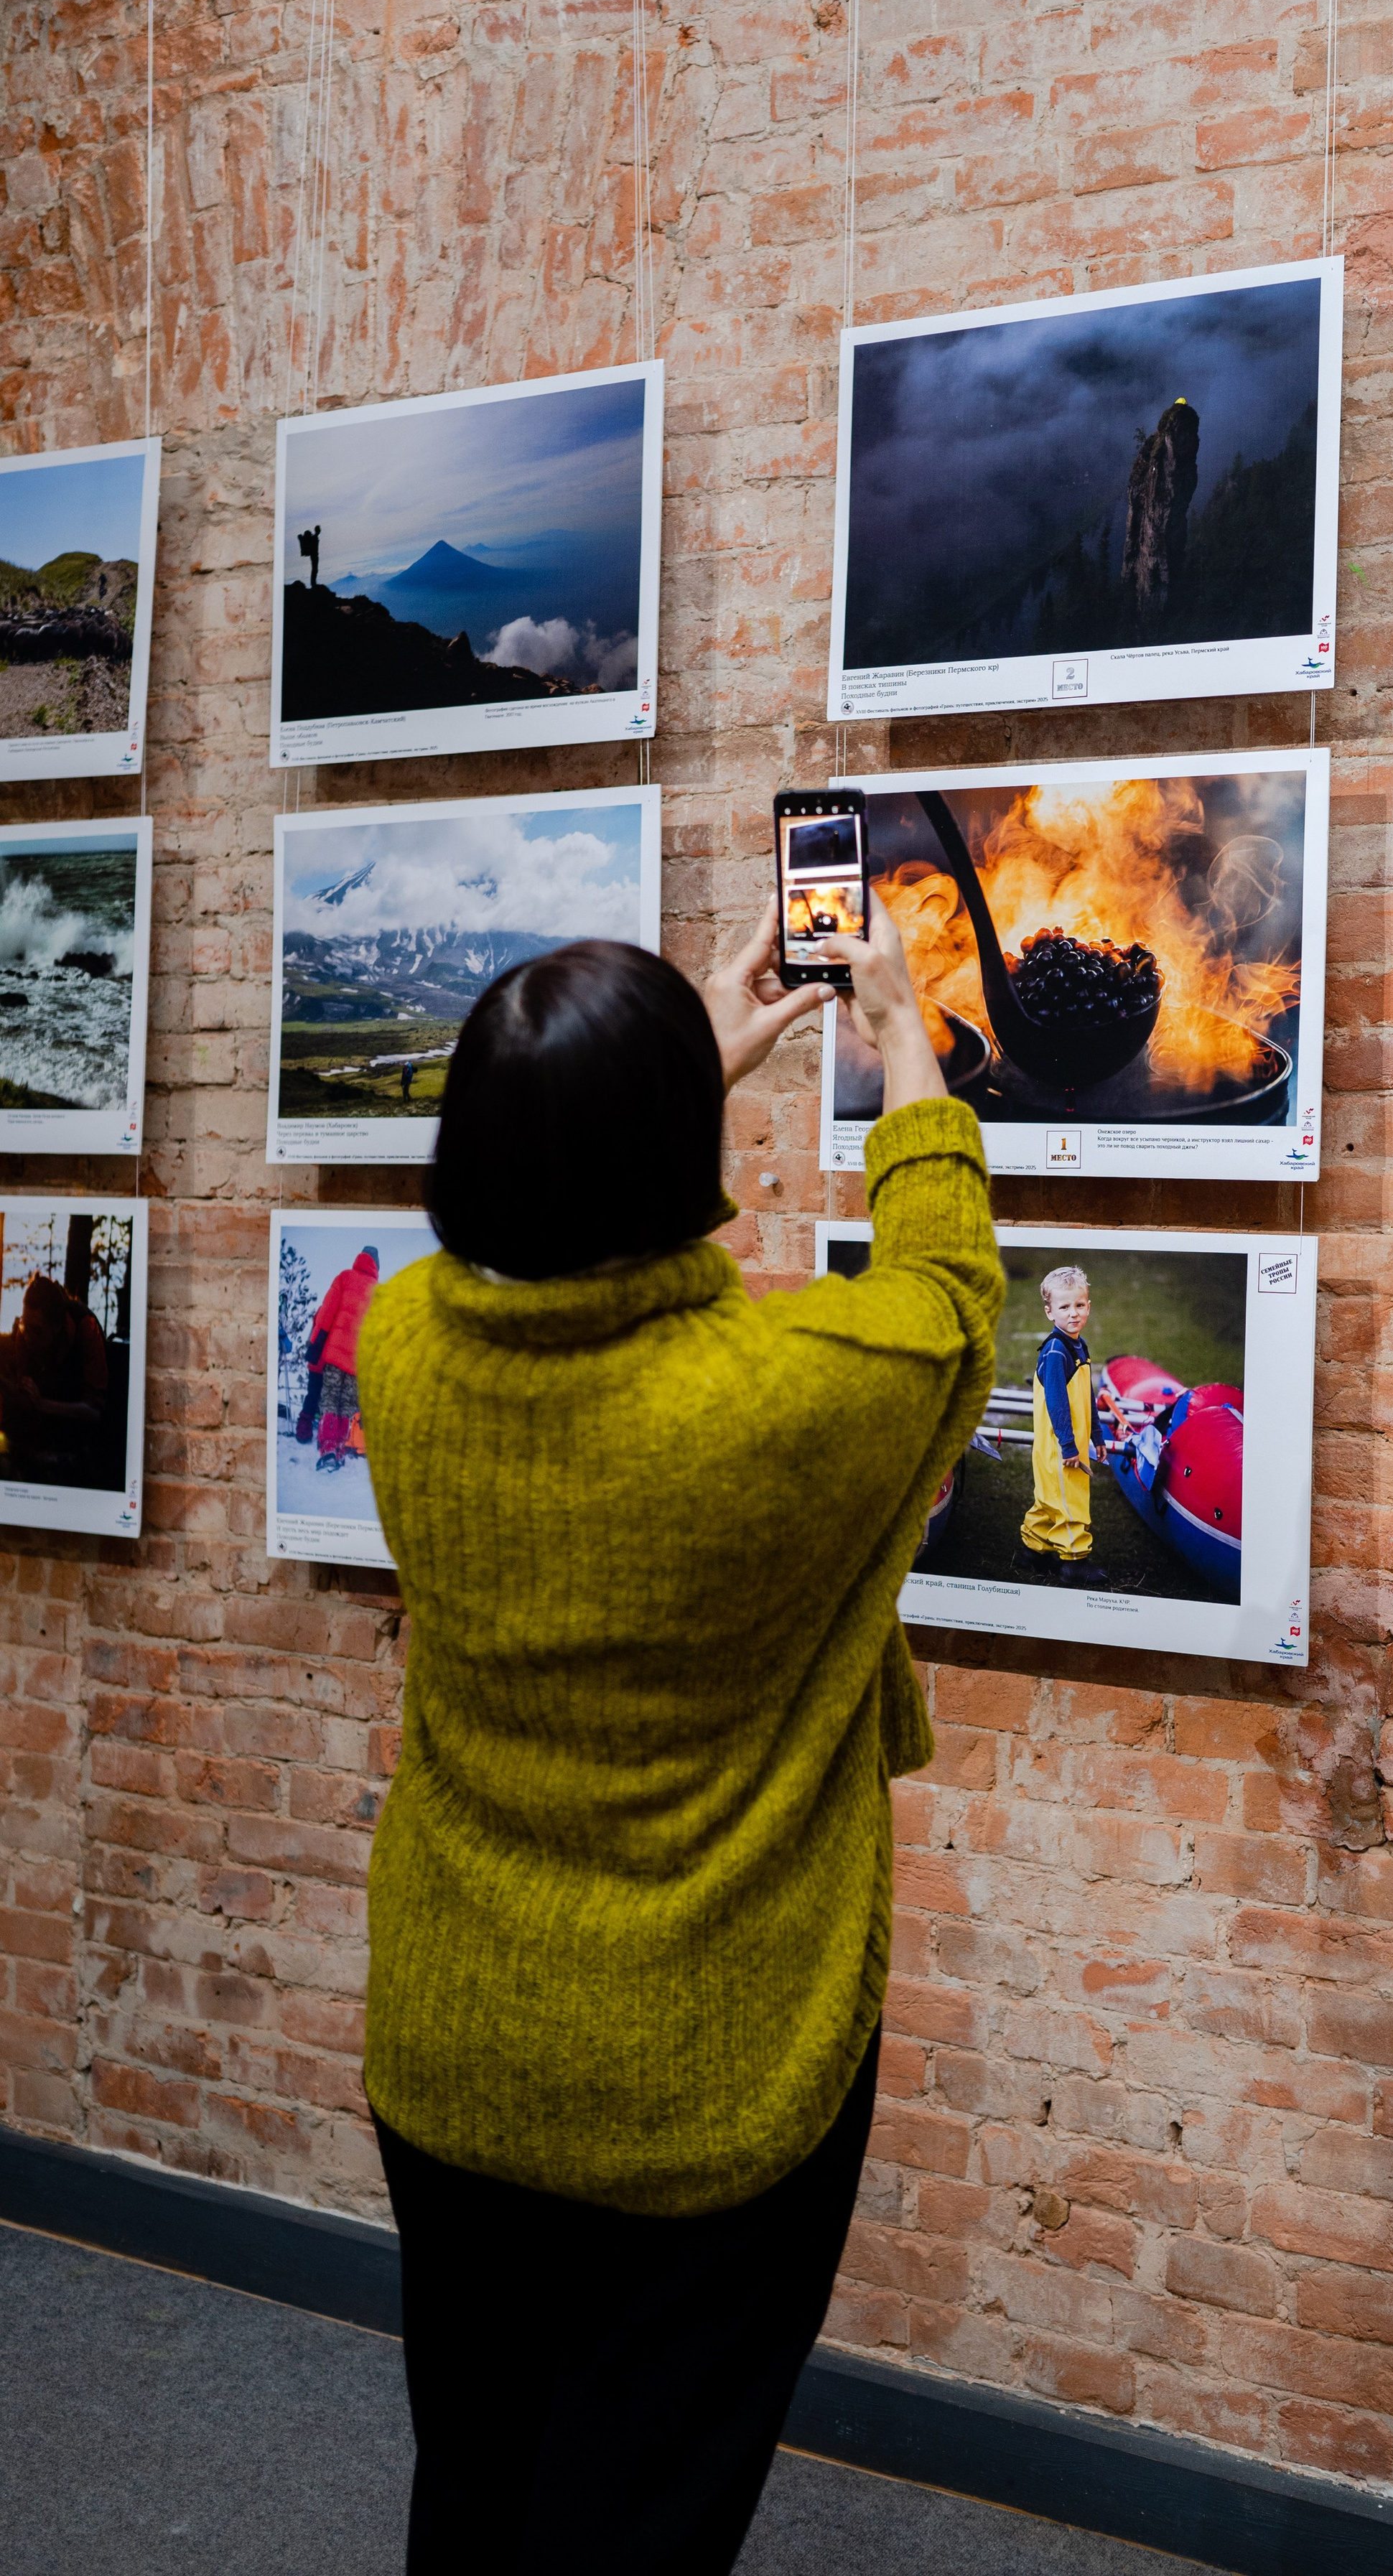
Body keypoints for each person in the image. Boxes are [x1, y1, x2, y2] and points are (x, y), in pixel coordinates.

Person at [355, 895, 1000, 2574]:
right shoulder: (778, 1393)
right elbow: (945, 1297)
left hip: (455, 2036)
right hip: (705, 2071)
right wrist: (900, 1033)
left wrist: (663, 1078)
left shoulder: (400, 1345)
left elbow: (539, 1232)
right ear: (661, 1160)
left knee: (476, 2477)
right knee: (633, 2522)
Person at [1020, 1263, 1107, 1587]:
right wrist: (1069, 1446)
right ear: (1049, 1312)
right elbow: (1057, 1403)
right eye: (1064, 1307)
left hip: (1070, 1442)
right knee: (1071, 1502)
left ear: (1089, 1306)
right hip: (1060, 1447)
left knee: (1049, 1501)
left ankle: (1032, 1551)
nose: (1074, 1313)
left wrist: (1097, 1434)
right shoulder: (1057, 1351)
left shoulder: (1078, 1344)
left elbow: (1086, 1394)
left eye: (1079, 1305)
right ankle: (1074, 1563)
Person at [0, 1273, 108, 1480]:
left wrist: (43, 1404)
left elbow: (95, 1412)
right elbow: (26, 1401)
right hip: (43, 1425)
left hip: (79, 1427)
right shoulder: (25, 1335)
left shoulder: (86, 1327)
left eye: (37, 1331)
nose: (28, 1337)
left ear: (56, 1326)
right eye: (24, 1326)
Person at [302, 1243, 379, 1470]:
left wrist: (315, 1344)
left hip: (334, 1356)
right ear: (377, 1265)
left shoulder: (345, 1277)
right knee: (346, 1405)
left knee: (330, 1399)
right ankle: (339, 1450)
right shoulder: (378, 1292)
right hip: (357, 1362)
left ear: (360, 1258)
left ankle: (327, 1449)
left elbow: (326, 1313)